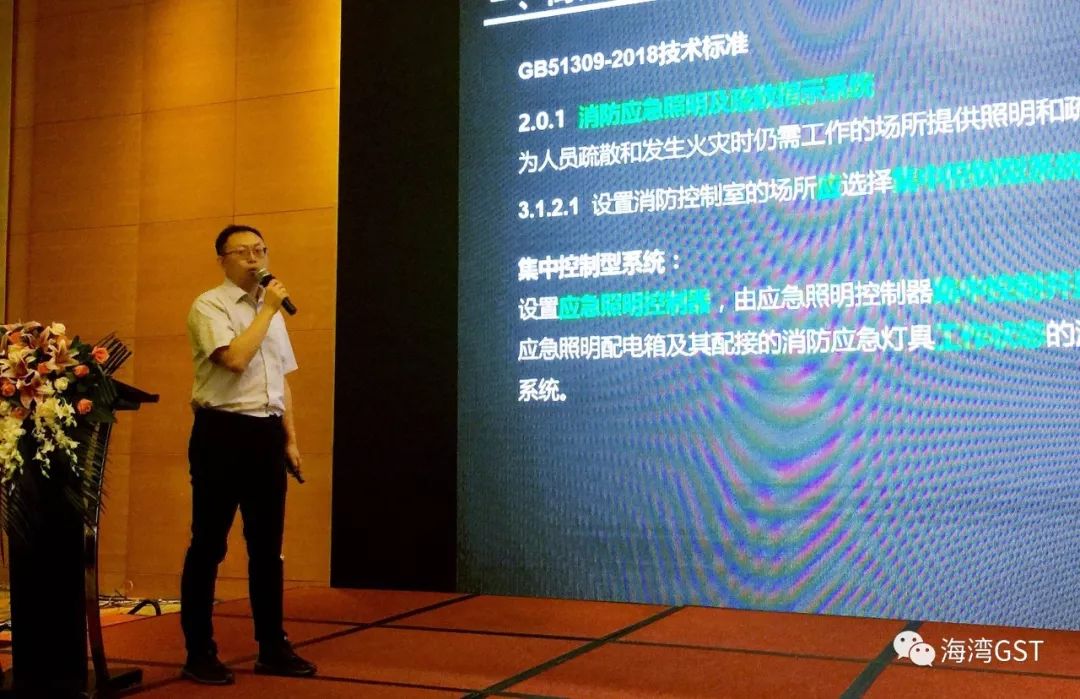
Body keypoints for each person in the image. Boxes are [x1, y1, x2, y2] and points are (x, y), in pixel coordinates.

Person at [179, 224, 316, 685]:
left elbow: (281, 380)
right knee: (209, 545)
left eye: (261, 250)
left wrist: (290, 440)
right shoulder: (210, 305)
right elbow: (235, 360)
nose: (255, 259)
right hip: (222, 432)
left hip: (266, 435)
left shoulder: (270, 312)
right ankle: (199, 652)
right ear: (222, 259)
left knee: (267, 549)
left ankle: (272, 647)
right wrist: (267, 310)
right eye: (243, 252)